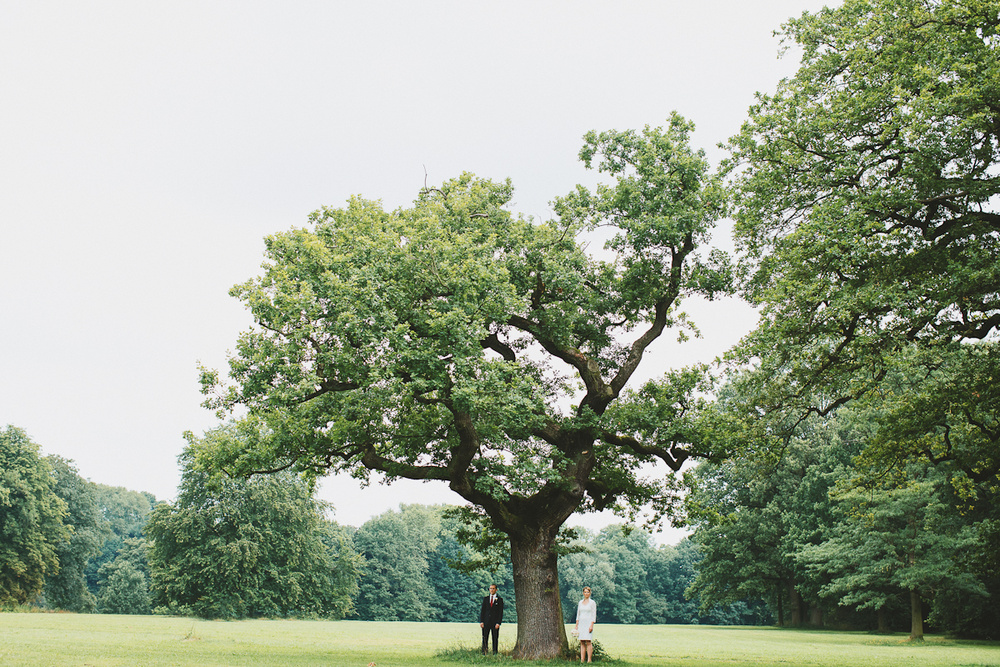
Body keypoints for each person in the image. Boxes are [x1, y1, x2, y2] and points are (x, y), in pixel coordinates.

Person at [479, 583, 504, 655]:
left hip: (495, 622)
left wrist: (498, 623)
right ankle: (484, 652)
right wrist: (481, 621)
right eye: (490, 588)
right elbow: (483, 611)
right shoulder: (486, 599)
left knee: (495, 638)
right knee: (484, 638)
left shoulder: (499, 600)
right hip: (486, 622)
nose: (492, 590)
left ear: (496, 590)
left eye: (493, 588)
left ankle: (495, 653)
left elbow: (500, 612)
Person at [574, 586, 597, 663]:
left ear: (590, 593)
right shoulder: (580, 602)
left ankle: (589, 660)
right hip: (581, 623)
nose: (586, 593)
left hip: (588, 623)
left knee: (588, 641)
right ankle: (582, 660)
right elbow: (578, 613)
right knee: (582, 641)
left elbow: (594, 614)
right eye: (585, 592)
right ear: (583, 593)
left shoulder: (592, 603)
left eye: (588, 592)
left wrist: (591, 625)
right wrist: (577, 624)